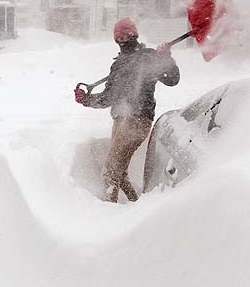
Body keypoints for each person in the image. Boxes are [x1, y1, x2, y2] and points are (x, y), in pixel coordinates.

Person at [74, 17, 179, 203]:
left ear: (135, 34)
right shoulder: (118, 64)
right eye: (119, 35)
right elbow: (108, 97)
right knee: (119, 173)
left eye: (127, 34)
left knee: (110, 173)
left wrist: (166, 58)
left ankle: (108, 216)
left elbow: (172, 79)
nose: (123, 38)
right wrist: (86, 100)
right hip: (120, 119)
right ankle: (136, 206)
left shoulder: (148, 57)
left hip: (137, 119)